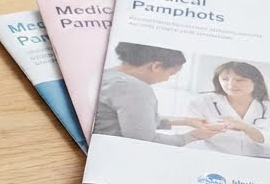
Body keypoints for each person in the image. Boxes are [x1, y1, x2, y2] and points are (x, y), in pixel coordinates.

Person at [92, 43, 220, 146]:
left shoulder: (106, 74)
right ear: (156, 66)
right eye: (170, 74)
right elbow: (143, 141)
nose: (166, 79)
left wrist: (186, 121)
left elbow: (131, 121)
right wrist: (191, 136)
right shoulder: (134, 88)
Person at [186, 61, 270, 157]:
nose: (231, 85)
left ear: (256, 82)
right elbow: (190, 138)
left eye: (239, 80)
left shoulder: (267, 107)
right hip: (212, 159)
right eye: (225, 79)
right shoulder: (201, 102)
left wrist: (247, 128)